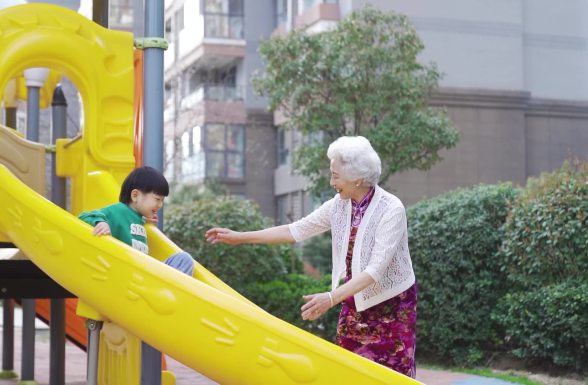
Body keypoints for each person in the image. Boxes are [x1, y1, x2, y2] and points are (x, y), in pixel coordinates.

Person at [205, 136, 417, 378]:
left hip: (392, 303)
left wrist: (330, 298)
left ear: (357, 178)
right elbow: (295, 230)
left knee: (392, 375)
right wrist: (240, 237)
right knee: (349, 372)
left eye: (336, 176)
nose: (331, 181)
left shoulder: (392, 209)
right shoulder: (339, 205)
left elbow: (375, 270)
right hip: (353, 298)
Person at [79, 166, 194, 276]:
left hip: (144, 273)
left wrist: (145, 220)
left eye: (162, 200)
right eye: (157, 199)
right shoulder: (119, 210)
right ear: (135, 196)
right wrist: (101, 222)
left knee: (183, 259)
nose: (160, 205)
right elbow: (84, 216)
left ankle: (166, 291)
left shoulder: (139, 218)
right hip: (129, 273)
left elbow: (133, 221)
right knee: (184, 260)